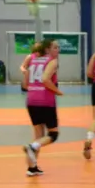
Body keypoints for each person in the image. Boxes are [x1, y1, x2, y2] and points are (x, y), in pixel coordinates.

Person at [22, 39, 63, 176]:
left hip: (31, 100)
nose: (58, 50)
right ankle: (31, 147)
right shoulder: (52, 61)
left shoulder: (33, 59)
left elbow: (25, 83)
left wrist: (34, 89)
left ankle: (32, 167)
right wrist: (56, 91)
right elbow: (46, 79)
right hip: (45, 101)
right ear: (47, 50)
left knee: (38, 135)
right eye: (55, 47)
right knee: (53, 134)